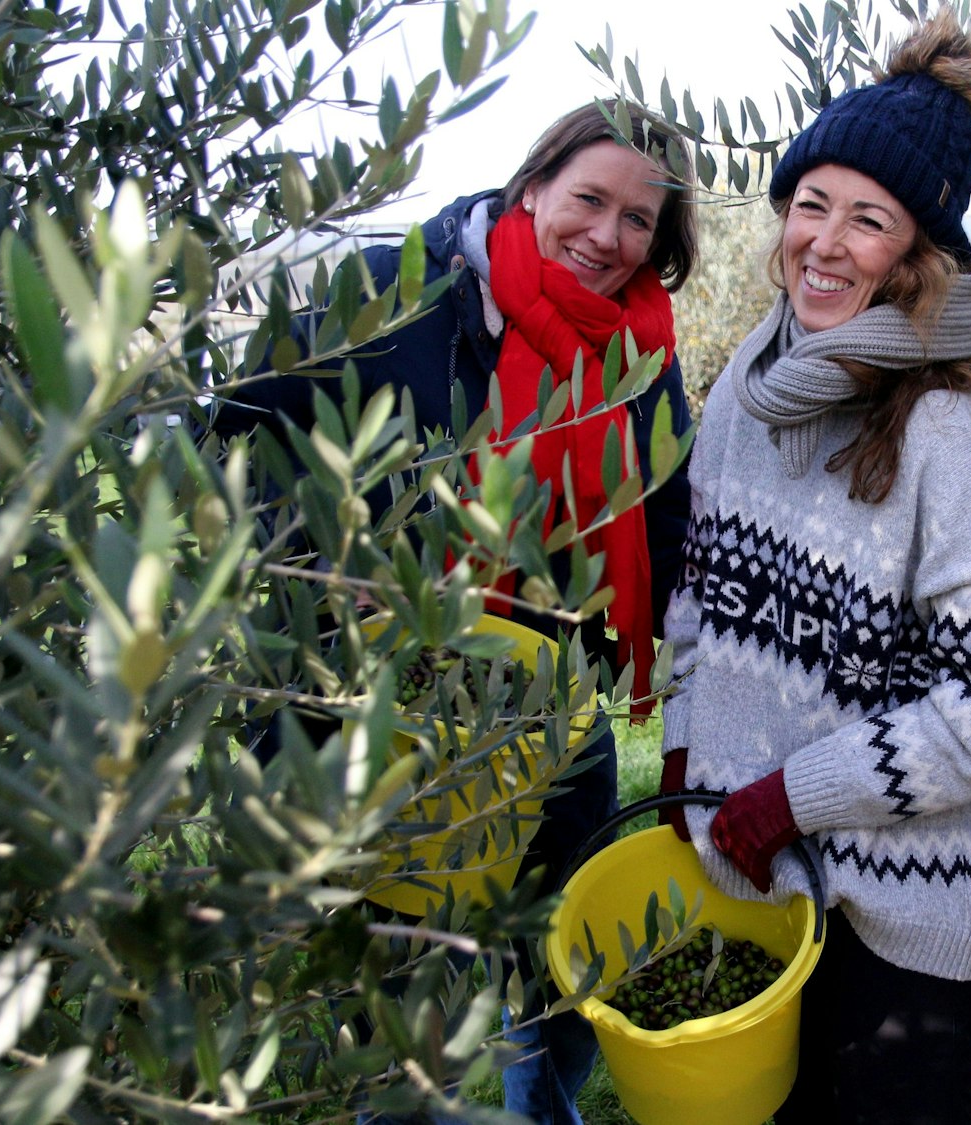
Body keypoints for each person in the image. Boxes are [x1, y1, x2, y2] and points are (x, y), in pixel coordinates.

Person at [213, 101, 699, 1125]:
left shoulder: (639, 351)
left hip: (551, 705)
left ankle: (543, 1110)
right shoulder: (403, 294)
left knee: (567, 944)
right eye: (589, 201)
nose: (606, 238)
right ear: (532, 187)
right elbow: (238, 424)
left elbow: (668, 519)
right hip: (391, 704)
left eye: (636, 222)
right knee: (398, 973)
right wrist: (316, 561)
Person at [655, 11, 971, 1123]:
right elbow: (703, 586)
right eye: (810, 205)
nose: (824, 244)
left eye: (868, 221)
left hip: (905, 909)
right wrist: (685, 744)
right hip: (764, 873)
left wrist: (792, 795)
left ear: (918, 256)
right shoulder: (747, 379)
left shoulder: (939, 429)